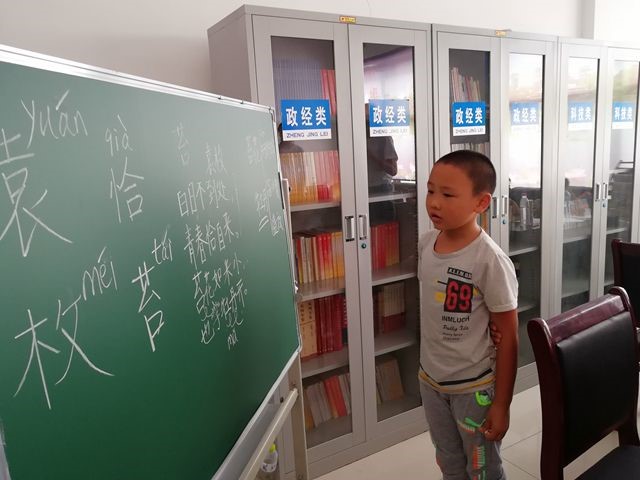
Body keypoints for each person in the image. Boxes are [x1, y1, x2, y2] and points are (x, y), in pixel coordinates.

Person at [418, 149, 519, 480]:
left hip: (473, 388)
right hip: (431, 381)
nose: (434, 202)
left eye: (447, 195)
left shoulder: (489, 260)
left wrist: (501, 405)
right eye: (431, 190)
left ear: (481, 203)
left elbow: (509, 338)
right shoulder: (425, 245)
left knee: (482, 468)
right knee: (448, 462)